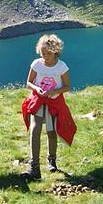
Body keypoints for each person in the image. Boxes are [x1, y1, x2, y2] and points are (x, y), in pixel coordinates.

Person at [20, 33, 77, 179]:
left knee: (51, 132)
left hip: (54, 102)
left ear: (55, 51)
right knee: (35, 130)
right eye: (42, 52)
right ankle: (34, 167)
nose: (44, 55)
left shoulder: (62, 67)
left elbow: (67, 86)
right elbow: (29, 82)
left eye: (47, 53)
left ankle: (52, 161)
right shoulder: (36, 64)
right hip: (38, 99)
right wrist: (36, 89)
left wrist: (54, 91)